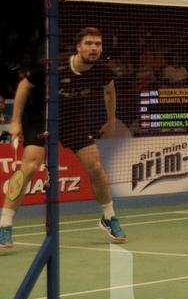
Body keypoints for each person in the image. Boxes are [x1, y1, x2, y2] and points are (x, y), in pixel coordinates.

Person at [1, 28, 126, 250]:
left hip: (71, 118)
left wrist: (111, 120)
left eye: (98, 44)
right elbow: (24, 87)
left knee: (95, 166)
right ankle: (5, 224)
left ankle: (109, 217)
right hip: (42, 116)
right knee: (29, 166)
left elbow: (109, 91)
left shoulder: (102, 71)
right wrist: (16, 121)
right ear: (78, 47)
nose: (94, 48)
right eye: (88, 43)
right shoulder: (51, 66)